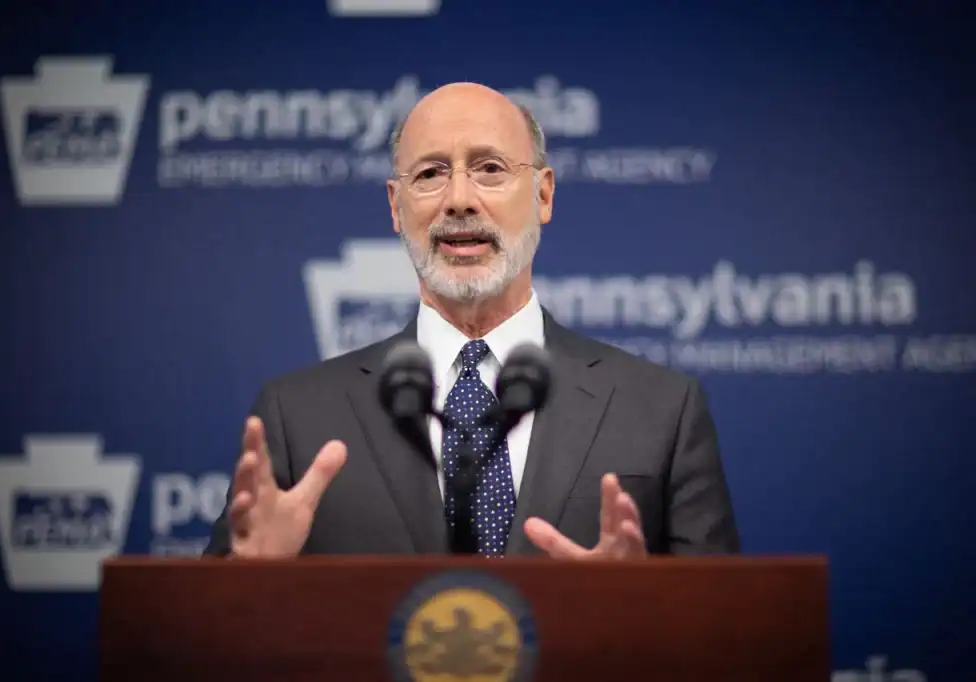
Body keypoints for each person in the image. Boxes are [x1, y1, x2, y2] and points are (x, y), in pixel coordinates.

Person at [203, 82, 739, 560]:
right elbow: (212, 628)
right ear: (395, 207)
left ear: (543, 194)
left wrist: (640, 607)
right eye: (430, 174)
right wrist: (251, 580)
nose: (459, 200)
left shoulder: (663, 410)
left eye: (490, 169)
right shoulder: (297, 418)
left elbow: (722, 627)